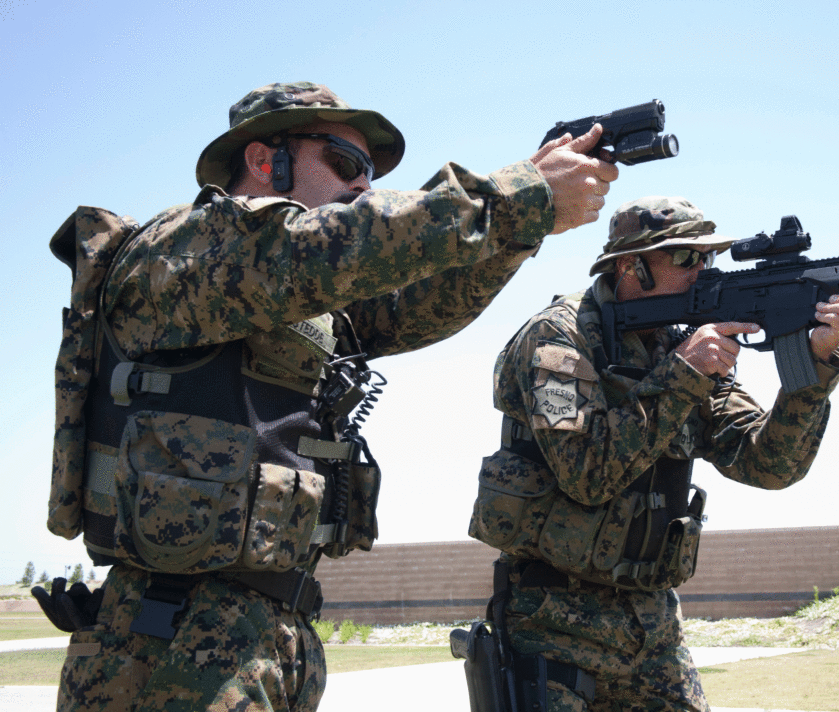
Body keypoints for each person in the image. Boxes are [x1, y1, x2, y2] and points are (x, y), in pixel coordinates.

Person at [45, 81, 619, 711]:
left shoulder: (302, 296)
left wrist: (517, 228)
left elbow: (416, 304)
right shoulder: (183, 252)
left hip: (269, 631)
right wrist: (520, 197)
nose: (363, 187)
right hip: (169, 631)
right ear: (265, 161)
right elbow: (326, 248)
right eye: (346, 165)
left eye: (369, 174)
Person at [467, 196, 839, 711]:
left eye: (707, 258)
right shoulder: (558, 338)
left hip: (652, 624)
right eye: (686, 258)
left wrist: (814, 368)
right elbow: (586, 475)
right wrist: (684, 374)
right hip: (553, 623)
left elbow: (768, 464)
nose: (702, 271)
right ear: (630, 266)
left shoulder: (680, 346)